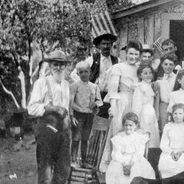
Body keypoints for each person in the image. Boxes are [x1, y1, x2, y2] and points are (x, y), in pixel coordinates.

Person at [28, 50, 72, 184]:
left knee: (63, 170)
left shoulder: (66, 85)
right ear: (50, 66)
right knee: (45, 172)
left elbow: (66, 109)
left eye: (61, 65)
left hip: (63, 133)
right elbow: (31, 108)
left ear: (65, 66)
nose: (58, 68)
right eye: (55, 65)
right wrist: (51, 108)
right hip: (47, 132)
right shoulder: (41, 83)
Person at [100, 40, 142, 172]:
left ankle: (131, 165)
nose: (133, 57)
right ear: (126, 54)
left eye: (136, 54)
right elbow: (112, 89)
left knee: (133, 131)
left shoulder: (140, 68)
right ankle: (114, 164)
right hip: (122, 101)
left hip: (136, 102)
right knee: (118, 130)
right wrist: (112, 106)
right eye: (130, 54)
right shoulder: (118, 67)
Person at [71, 31, 118, 118]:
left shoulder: (117, 61)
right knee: (95, 122)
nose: (106, 46)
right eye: (103, 44)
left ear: (111, 45)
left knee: (110, 122)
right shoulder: (92, 59)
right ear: (99, 46)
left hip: (110, 97)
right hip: (97, 97)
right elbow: (74, 74)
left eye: (108, 44)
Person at [105, 112, 156, 184]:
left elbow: (139, 153)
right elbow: (116, 153)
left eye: (130, 125)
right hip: (121, 160)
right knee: (115, 169)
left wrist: (130, 165)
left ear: (136, 125)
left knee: (137, 169)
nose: (128, 127)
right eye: (126, 125)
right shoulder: (119, 137)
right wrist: (123, 164)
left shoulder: (139, 137)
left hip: (135, 160)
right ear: (123, 125)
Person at [69, 60, 103, 167]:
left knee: (85, 139)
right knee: (76, 138)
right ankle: (73, 161)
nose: (84, 74)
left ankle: (84, 161)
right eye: (81, 72)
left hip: (89, 116)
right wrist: (72, 115)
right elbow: (70, 102)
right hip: (78, 115)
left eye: (86, 71)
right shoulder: (75, 86)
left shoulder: (94, 87)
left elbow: (100, 100)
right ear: (78, 73)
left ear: (90, 72)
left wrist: (96, 104)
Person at [132, 64, 160, 171]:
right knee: (144, 138)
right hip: (143, 115)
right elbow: (136, 105)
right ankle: (142, 166)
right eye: (145, 73)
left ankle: (150, 166)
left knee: (153, 140)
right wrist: (137, 121)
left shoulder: (150, 86)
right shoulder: (140, 87)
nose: (148, 75)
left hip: (150, 114)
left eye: (150, 73)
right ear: (140, 75)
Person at [156, 54, 178, 131]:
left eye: (171, 64)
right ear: (162, 65)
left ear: (174, 65)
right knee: (164, 128)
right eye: (165, 64)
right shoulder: (159, 80)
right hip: (163, 106)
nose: (168, 66)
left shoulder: (177, 78)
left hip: (175, 105)